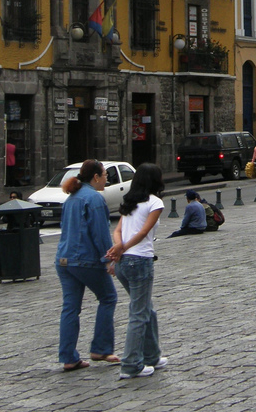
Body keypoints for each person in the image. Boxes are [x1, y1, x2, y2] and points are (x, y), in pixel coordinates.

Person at [55, 160, 118, 371]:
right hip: (84, 259)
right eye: (105, 175)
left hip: (64, 259)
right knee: (108, 297)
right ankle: (101, 347)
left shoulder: (72, 198)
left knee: (70, 308)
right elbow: (100, 234)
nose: (107, 179)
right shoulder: (94, 199)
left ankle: (68, 357)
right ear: (96, 177)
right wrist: (110, 258)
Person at [107, 163, 168, 380]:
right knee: (139, 314)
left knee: (146, 309)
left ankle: (152, 356)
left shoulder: (129, 202)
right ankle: (131, 364)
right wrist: (121, 248)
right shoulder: (155, 203)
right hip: (140, 260)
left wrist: (118, 248)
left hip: (124, 263)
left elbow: (118, 230)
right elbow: (144, 232)